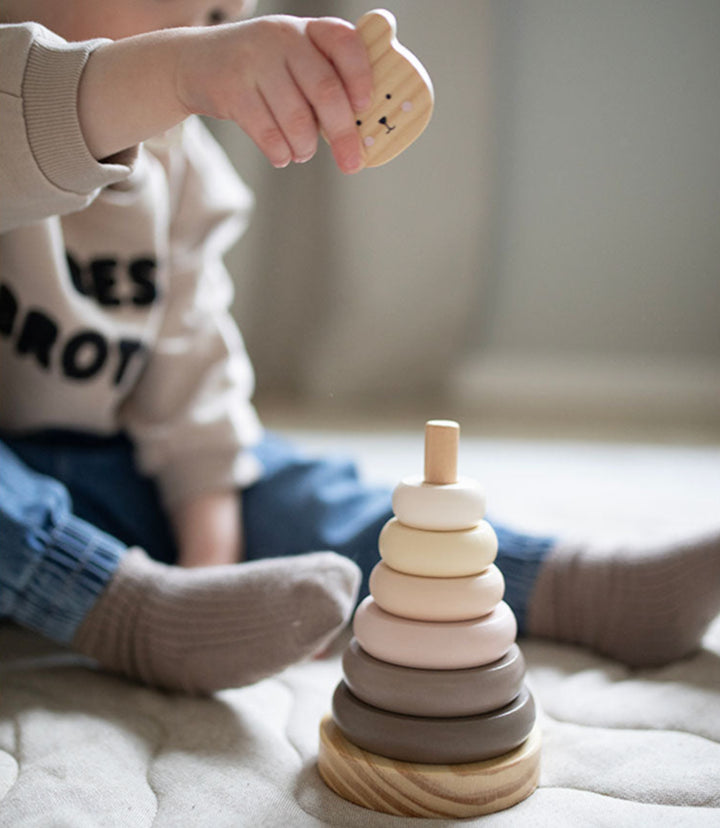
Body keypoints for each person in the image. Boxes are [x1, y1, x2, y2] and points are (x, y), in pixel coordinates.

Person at [1, 1, 718, 695]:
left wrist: (206, 573)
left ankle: (577, 586)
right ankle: (128, 614)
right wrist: (179, 71)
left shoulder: (187, 178)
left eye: (222, 18)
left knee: (291, 487)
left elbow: (196, 404)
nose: (200, 34)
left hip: (112, 468)